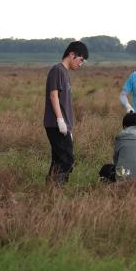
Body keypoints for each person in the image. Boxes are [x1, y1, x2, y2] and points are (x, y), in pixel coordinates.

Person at [43, 40, 88, 184]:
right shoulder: (57, 70)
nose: (80, 64)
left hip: (63, 126)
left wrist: (68, 128)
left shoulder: (65, 73)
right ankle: (56, 189)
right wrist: (60, 120)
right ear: (72, 54)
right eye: (80, 60)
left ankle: (51, 191)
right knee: (66, 160)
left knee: (58, 159)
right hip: (56, 124)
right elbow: (53, 95)